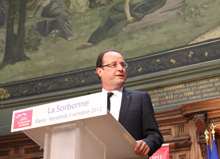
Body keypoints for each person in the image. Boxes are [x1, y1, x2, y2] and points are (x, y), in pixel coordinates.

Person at [96, 50, 163, 157]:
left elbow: (155, 135)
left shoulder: (140, 99)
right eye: (113, 65)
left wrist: (147, 144)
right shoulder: (90, 102)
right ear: (100, 71)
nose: (120, 69)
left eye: (123, 65)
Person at [77, 0, 166, 49]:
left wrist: (130, 17)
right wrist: (128, 16)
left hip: (135, 12)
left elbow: (147, 7)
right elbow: (126, 4)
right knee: (110, 19)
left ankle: (97, 39)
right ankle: (92, 41)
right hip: (122, 10)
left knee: (118, 22)